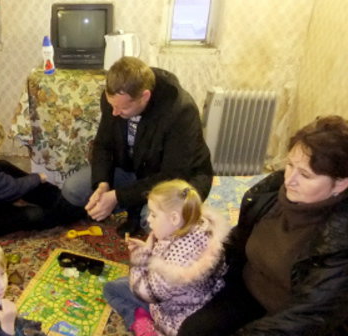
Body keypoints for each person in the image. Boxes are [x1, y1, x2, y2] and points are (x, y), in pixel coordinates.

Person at [178, 115, 348, 335]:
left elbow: (309, 315)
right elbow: (238, 241)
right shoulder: (269, 193)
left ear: (341, 183)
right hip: (246, 292)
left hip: (296, 320)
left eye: (305, 175)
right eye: (290, 165)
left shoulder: (341, 240)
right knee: (192, 331)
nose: (290, 180)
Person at [61, 57, 213, 237]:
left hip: (177, 179)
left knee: (157, 224)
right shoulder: (114, 101)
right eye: (112, 106)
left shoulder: (181, 111)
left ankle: (136, 209)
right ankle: (132, 204)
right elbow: (103, 144)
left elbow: (173, 175)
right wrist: (102, 184)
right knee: (73, 189)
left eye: (123, 109)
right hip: (133, 169)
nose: (115, 113)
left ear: (145, 96)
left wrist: (118, 196)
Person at [103, 179, 230, 336]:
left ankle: (145, 328)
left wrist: (139, 257)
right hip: (183, 301)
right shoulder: (192, 227)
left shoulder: (177, 269)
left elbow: (144, 291)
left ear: (174, 219)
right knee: (118, 285)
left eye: (154, 215)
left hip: (173, 321)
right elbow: (166, 254)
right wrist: (148, 249)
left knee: (111, 290)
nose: (148, 219)